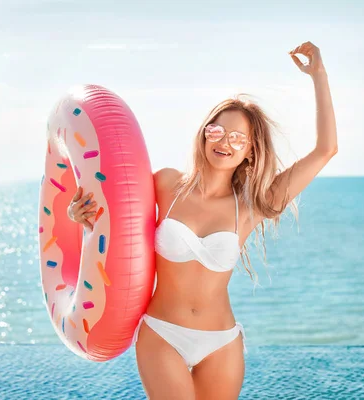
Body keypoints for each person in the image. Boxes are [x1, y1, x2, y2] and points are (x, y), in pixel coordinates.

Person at [67, 41, 337, 400]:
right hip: (162, 333)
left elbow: (325, 150)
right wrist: (77, 215)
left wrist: (318, 75)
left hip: (221, 341)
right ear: (204, 132)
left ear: (250, 150)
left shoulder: (253, 205)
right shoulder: (165, 184)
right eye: (217, 131)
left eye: (238, 138)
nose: (225, 142)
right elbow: (113, 221)